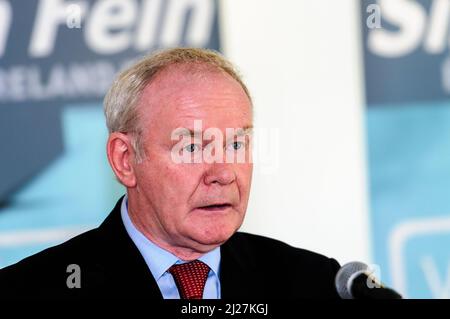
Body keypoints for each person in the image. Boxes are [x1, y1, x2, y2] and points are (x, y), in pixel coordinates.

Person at [0, 48, 340, 299]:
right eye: (191, 148)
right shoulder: (29, 291)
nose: (223, 173)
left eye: (236, 145)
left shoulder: (316, 283)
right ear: (125, 160)